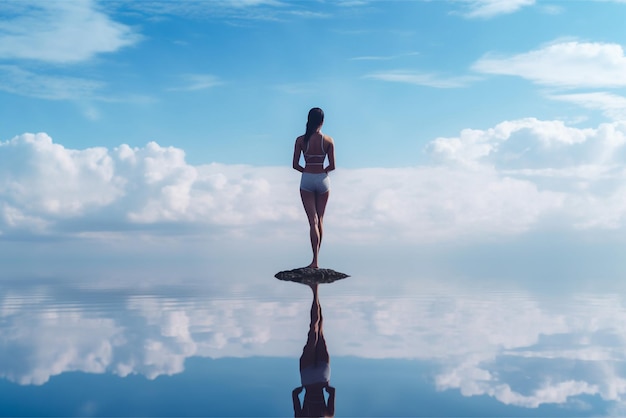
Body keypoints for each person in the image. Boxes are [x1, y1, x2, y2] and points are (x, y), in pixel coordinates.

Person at [292, 107, 336, 269]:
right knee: (321, 220)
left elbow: (295, 165)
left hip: (307, 179)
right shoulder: (329, 140)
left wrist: (307, 172)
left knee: (313, 221)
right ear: (322, 121)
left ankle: (314, 261)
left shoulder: (300, 140)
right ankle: (317, 260)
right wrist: (322, 172)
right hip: (323, 180)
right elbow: (333, 165)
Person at [292, 283, 336, 417]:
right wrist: (303, 388)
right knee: (315, 331)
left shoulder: (327, 416)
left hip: (321, 378)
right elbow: (295, 394)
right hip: (308, 379)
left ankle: (315, 292)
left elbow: (332, 391)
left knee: (317, 331)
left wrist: (325, 388)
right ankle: (315, 292)